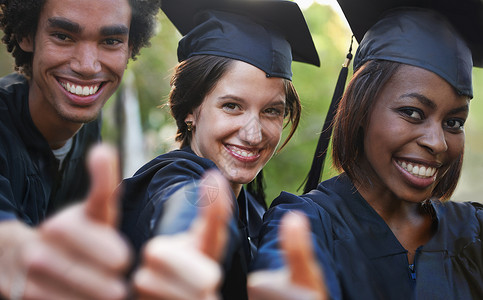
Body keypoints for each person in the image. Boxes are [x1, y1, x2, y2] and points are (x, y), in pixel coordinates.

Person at [250, 1, 483, 299]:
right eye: (412, 112)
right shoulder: (303, 227)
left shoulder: (473, 231)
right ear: (361, 108)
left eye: (453, 122)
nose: (438, 142)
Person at [118, 0, 319, 299]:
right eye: (232, 106)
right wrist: (184, 244)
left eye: (271, 111)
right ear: (190, 109)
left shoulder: (253, 207)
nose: (253, 134)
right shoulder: (172, 178)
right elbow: (187, 200)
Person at [0, 0, 160, 298]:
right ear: (26, 34)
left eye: (111, 41)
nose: (87, 66)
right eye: (63, 36)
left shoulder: (88, 129)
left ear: (130, 47)